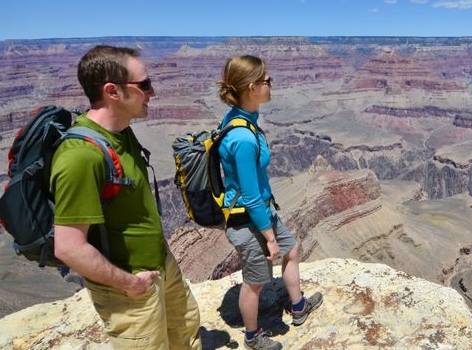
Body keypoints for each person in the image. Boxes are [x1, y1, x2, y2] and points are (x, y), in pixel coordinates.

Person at [51, 45, 201, 349]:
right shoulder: (80, 157)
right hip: (129, 287)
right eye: (144, 84)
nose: (153, 92)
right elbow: (68, 248)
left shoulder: (121, 130)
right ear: (112, 91)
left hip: (159, 264)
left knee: (186, 331)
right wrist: (130, 284)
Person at [217, 55, 323, 350]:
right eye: (266, 81)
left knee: (292, 248)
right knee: (255, 280)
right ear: (252, 87)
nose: (271, 85)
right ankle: (252, 336)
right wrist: (269, 238)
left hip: (263, 211)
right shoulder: (243, 138)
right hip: (248, 218)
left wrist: (277, 236)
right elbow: (249, 195)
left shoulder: (244, 118)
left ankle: (298, 306)